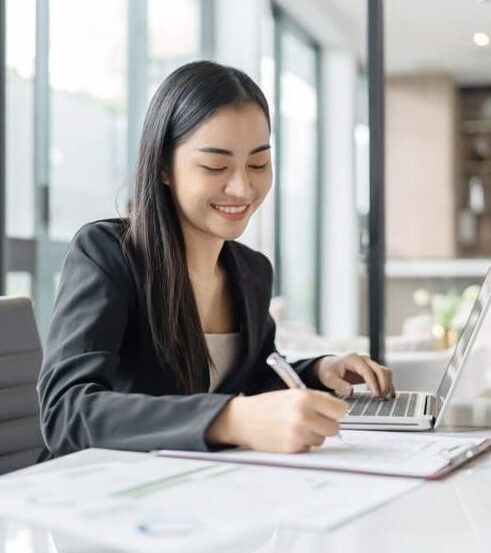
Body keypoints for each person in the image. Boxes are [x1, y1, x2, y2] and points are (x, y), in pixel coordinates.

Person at [37, 60, 394, 460]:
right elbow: (64, 411)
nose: (243, 187)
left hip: (195, 490)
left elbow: (253, 376)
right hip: (95, 495)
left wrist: (317, 371)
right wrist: (231, 419)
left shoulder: (252, 271)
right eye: (215, 166)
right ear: (163, 167)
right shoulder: (107, 253)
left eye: (259, 163)